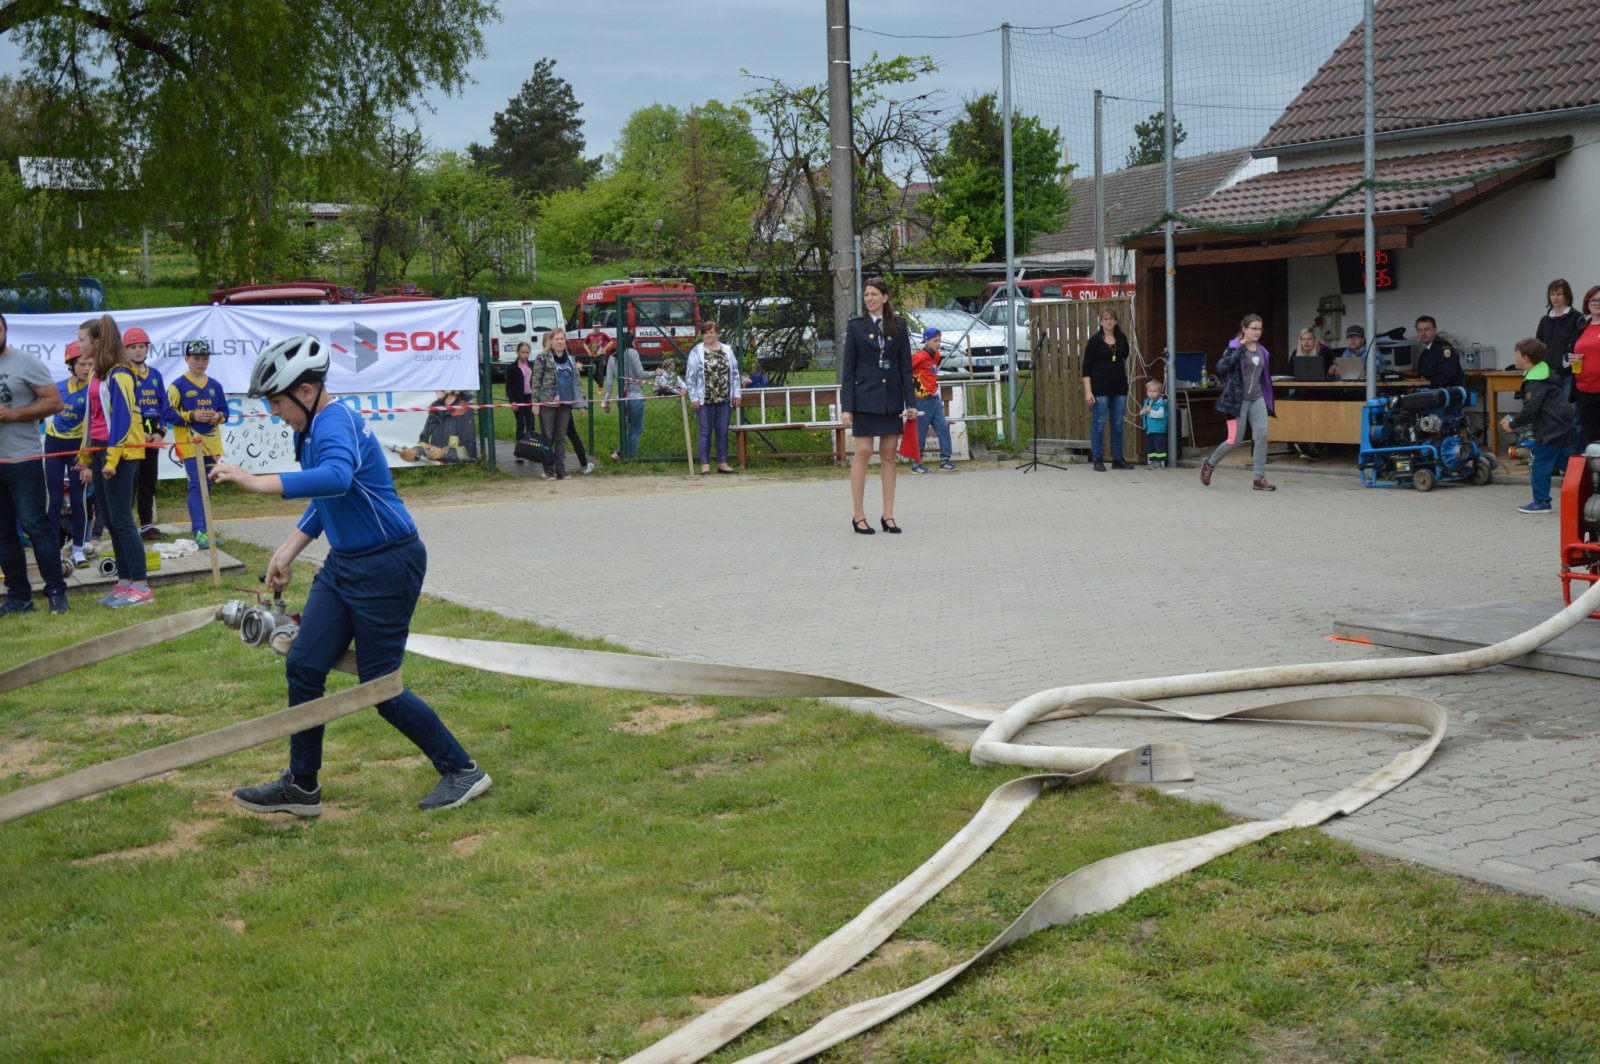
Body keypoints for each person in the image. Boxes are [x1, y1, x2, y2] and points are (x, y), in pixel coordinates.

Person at [210, 334, 491, 816]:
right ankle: (302, 787)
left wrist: (255, 482)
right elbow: (329, 498)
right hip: (345, 565)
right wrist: (288, 550)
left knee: (379, 687)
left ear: (305, 391)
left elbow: (337, 477)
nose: (275, 412)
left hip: (389, 563)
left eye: (277, 402)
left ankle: (462, 770)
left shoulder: (334, 422)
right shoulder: (310, 427)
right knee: (304, 665)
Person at [77, 314, 153, 607]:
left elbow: (121, 420)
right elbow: (92, 418)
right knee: (109, 519)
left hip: (121, 453)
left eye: (82, 340)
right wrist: (86, 455)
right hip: (100, 450)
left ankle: (141, 585)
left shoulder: (120, 374)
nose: (79, 345)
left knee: (122, 519)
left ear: (97, 342)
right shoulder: (97, 373)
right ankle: (124, 582)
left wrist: (111, 460)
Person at [0, 311, 69, 617]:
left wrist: (13, 414)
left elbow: (55, 402)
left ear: (5, 331)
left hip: (23, 459)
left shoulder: (25, 362)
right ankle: (18, 597)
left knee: (35, 526)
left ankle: (56, 591)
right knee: (3, 532)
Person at [840, 277, 916, 533]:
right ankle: (858, 515)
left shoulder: (899, 326)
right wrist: (847, 406)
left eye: (874, 294)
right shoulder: (856, 327)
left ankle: (888, 515)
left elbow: (905, 367)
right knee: (862, 451)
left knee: (889, 454)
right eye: (866, 295)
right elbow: (848, 370)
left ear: (885, 297)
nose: (869, 298)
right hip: (864, 398)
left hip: (890, 399)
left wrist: (911, 402)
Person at [1200, 313, 1277, 491]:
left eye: (1260, 329)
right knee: (1234, 440)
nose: (1258, 332)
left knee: (1262, 435)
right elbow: (1221, 367)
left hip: (1257, 397)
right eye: (1254, 328)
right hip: (1237, 400)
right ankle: (1209, 464)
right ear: (1244, 329)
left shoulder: (1262, 350)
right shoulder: (1234, 347)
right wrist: (1240, 350)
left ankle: (1258, 478)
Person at [1499, 338, 1572, 515]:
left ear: (1526, 358)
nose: (1514, 358)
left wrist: (1513, 424)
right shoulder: (1543, 373)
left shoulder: (1536, 382)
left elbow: (1531, 409)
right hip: (1560, 424)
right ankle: (1591, 486)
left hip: (1550, 428)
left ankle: (1542, 502)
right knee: (1567, 462)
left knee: (1540, 463)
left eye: (1517, 355)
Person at [167, 339, 228, 547]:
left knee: (207, 485)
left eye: (204, 359)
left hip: (212, 443)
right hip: (189, 442)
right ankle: (199, 532)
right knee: (196, 484)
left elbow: (225, 412)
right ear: (186, 358)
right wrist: (191, 415)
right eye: (196, 359)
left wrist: (217, 416)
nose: (201, 363)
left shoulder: (215, 385)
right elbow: (167, 413)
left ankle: (207, 529)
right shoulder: (178, 385)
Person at [125, 326, 177, 540]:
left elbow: (164, 406)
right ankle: (126, 526)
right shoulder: (123, 374)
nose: (138, 350)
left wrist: (160, 433)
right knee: (130, 482)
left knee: (148, 481)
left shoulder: (155, 374)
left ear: (147, 349)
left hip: (153, 431)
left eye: (141, 346)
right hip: (132, 434)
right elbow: (123, 408)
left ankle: (146, 525)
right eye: (133, 347)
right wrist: (138, 433)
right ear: (125, 350)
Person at [45, 339, 92, 568]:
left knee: (77, 498)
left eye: (90, 364)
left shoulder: (94, 389)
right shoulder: (58, 387)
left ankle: (78, 549)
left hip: (77, 447)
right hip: (54, 444)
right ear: (71, 365)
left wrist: (89, 460)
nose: (87, 368)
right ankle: (52, 551)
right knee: (54, 499)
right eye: (82, 364)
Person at [686, 320, 742, 475]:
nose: (709, 335)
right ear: (702, 335)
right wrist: (694, 397)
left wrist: (737, 393)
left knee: (722, 431)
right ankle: (705, 465)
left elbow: (735, 373)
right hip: (705, 398)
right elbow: (690, 377)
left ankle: (723, 463)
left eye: (711, 332)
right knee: (705, 431)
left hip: (724, 398)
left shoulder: (727, 350)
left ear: (717, 333)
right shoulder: (696, 352)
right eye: (705, 333)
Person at [1536, 279, 1584, 453]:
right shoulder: (1545, 320)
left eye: (1559, 294)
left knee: (1570, 416)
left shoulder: (1577, 318)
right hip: (1548, 376)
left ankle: (1574, 456)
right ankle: (1556, 456)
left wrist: (1566, 361)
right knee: (1551, 417)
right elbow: (1538, 346)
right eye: (1552, 294)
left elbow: (1578, 345)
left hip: (1568, 376)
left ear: (1567, 296)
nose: (1555, 298)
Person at [1081, 305, 1132, 471]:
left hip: (1119, 388)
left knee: (1117, 424)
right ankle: (1097, 459)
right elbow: (1086, 368)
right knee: (1099, 423)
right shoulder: (1094, 341)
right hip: (1100, 390)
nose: (1108, 322)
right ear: (1101, 322)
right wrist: (1088, 391)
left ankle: (1118, 459)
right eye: (1105, 319)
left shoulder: (1122, 339)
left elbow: (1124, 356)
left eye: (1111, 318)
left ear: (1116, 321)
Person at [530, 327, 584, 480]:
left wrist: (580, 403)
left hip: (565, 403)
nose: (560, 342)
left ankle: (561, 469)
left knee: (561, 437)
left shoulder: (571, 359)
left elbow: (577, 382)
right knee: (547, 436)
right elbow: (536, 380)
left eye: (562, 339)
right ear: (551, 341)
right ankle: (548, 470)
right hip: (547, 402)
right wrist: (535, 402)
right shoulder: (543, 357)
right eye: (557, 339)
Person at [908, 326, 953, 474]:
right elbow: (906, 370)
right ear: (926, 341)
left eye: (939, 340)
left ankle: (945, 460)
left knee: (943, 427)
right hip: (921, 400)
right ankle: (916, 464)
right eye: (935, 341)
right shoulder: (920, 356)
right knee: (920, 432)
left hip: (934, 398)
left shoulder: (936, 355)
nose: (938, 344)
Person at [602, 340, 648, 462]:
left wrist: (606, 401)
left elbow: (609, 383)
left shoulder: (612, 358)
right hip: (635, 397)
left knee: (637, 427)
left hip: (621, 398)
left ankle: (618, 453)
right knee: (636, 429)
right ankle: (629, 458)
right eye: (634, 341)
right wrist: (657, 372)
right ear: (630, 342)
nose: (635, 343)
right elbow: (641, 374)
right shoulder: (633, 353)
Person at [405, 389, 478, 464]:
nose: (436, 390)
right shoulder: (435, 410)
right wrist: (415, 451)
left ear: (453, 390)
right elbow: (423, 441)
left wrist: (441, 453)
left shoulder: (466, 412)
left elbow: (469, 452)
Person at [1570, 286, 1600, 444]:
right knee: (1591, 435)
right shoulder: (1581, 327)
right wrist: (1569, 359)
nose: (1597, 303)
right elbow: (1570, 350)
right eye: (1593, 300)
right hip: (1584, 389)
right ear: (1587, 303)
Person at [503, 340, 539, 461]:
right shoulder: (512, 367)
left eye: (528, 352)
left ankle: (531, 450)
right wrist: (512, 401)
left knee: (531, 423)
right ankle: (519, 451)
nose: (526, 355)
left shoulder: (532, 365)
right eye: (523, 352)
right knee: (521, 423)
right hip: (518, 399)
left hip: (530, 398)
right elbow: (508, 386)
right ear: (518, 352)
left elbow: (536, 382)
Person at [1412, 316, 1464, 389]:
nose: (1423, 333)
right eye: (1419, 330)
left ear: (1435, 330)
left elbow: (1447, 376)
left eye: (1426, 329)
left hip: (1444, 391)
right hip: (1431, 389)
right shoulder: (1427, 350)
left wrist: (1425, 383)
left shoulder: (1443, 348)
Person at [1139, 379, 1169, 469]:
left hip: (1158, 429)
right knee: (1151, 446)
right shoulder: (1147, 402)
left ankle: (1159, 462)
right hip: (1150, 429)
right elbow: (1142, 413)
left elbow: (1160, 415)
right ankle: (1152, 462)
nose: (1152, 393)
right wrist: (1143, 412)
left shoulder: (1161, 403)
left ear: (1159, 393)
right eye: (1150, 391)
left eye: (1154, 391)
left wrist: (1150, 411)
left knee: (1158, 445)